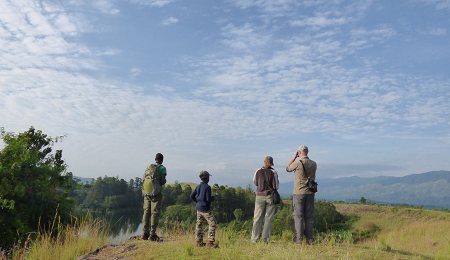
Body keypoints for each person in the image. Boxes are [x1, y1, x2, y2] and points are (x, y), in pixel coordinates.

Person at [286, 145, 317, 244]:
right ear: (307, 152)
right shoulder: (314, 164)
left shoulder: (298, 163)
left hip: (299, 192)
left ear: (299, 152)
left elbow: (287, 168)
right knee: (309, 217)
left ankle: (299, 240)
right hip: (310, 193)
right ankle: (310, 240)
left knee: (298, 216)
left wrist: (294, 157)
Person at [251, 156, 279, 243]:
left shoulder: (258, 171)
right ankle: (265, 240)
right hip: (270, 196)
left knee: (257, 218)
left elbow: (255, 182)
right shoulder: (273, 172)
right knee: (268, 218)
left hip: (259, 196)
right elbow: (276, 186)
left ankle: (254, 239)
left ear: (264, 162)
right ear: (271, 163)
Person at [141, 153, 167, 241]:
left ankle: (144, 234)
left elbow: (143, 179)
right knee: (154, 213)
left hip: (147, 193)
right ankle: (152, 235)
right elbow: (162, 181)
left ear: (155, 159)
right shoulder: (162, 168)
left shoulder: (149, 167)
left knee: (146, 212)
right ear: (162, 160)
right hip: (156, 194)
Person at [190, 170, 218, 248]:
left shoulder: (198, 186)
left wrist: (197, 202)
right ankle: (210, 242)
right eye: (208, 177)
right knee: (212, 223)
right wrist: (214, 197)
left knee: (199, 225)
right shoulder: (207, 187)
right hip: (206, 210)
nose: (209, 178)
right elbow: (208, 199)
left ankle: (199, 242)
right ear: (206, 178)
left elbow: (191, 196)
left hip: (198, 209)